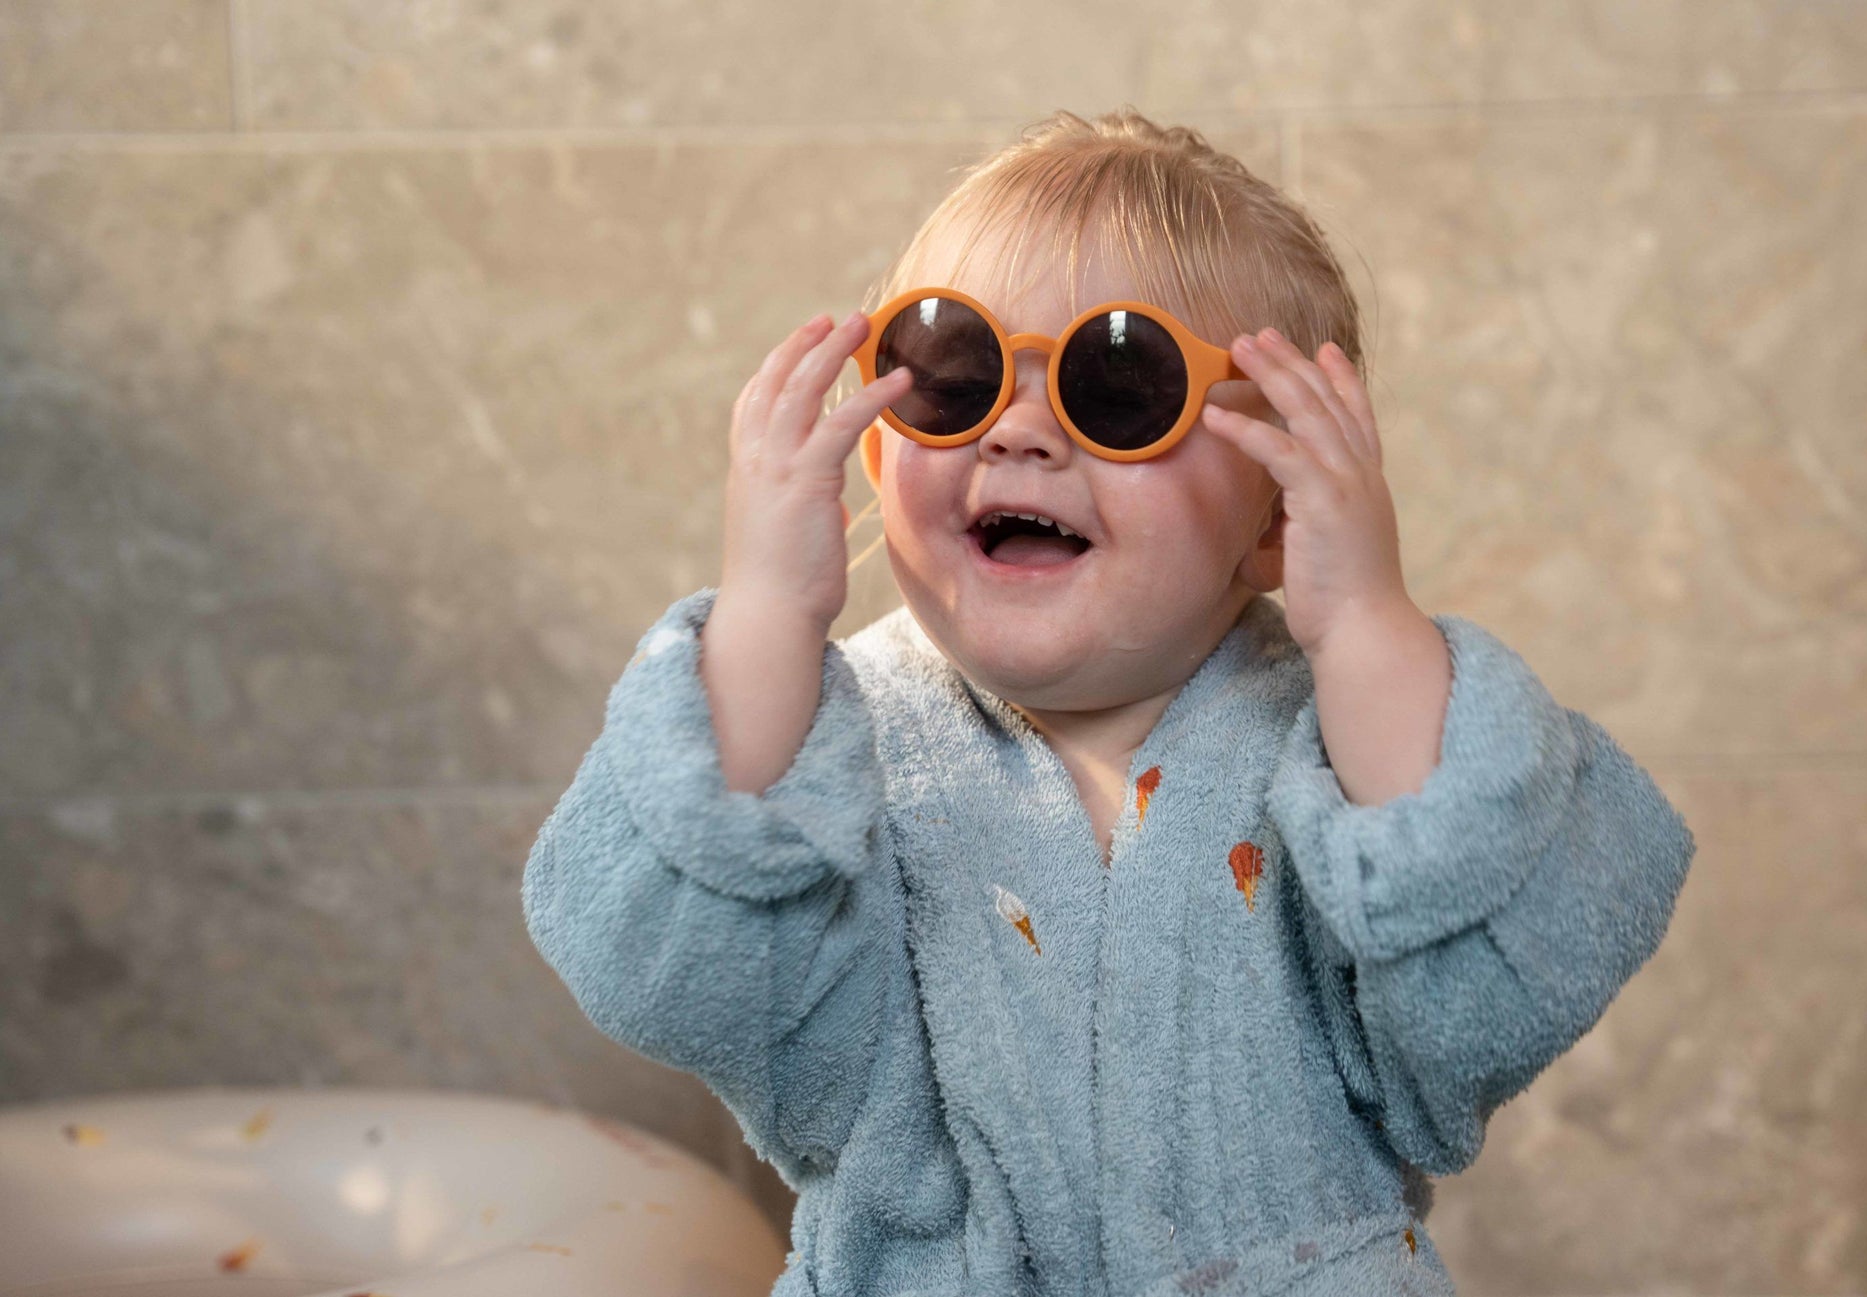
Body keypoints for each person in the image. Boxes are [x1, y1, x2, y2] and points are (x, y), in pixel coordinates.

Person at [521, 106, 1697, 1297]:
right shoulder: (829, 753)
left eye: (1119, 386)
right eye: (956, 375)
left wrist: (1363, 622)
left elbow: (1496, 983)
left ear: (1279, 510)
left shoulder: (1340, 744)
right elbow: (665, 971)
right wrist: (768, 609)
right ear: (877, 449)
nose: (1020, 432)